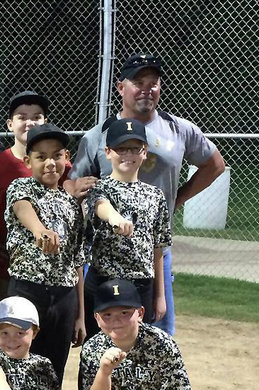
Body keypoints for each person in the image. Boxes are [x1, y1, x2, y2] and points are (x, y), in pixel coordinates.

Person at [70, 53, 225, 334]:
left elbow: (214, 165)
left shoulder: (179, 128)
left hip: (154, 251)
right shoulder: (97, 136)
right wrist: (76, 192)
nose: (147, 89)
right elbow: (72, 182)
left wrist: (177, 199)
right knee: (104, 332)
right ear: (121, 88)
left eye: (153, 83)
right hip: (105, 255)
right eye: (138, 82)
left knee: (155, 332)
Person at [0, 92, 88, 348]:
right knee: (4, 341)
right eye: (22, 117)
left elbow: (75, 243)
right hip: (8, 270)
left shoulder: (61, 170)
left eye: (37, 117)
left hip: (58, 281)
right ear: (10, 124)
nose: (29, 122)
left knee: (47, 344)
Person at [4, 123, 86, 383]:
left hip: (64, 296)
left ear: (66, 158)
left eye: (56, 155)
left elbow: (77, 262)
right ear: (28, 161)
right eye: (41, 157)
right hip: (28, 289)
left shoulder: (72, 204)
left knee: (54, 366)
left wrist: (80, 315)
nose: (50, 163)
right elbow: (23, 209)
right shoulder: (21, 187)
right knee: (19, 360)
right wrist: (41, 231)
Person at [83, 118, 171, 338]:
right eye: (121, 149)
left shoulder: (155, 195)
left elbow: (158, 248)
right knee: (98, 348)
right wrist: (115, 219)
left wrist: (160, 295)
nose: (128, 155)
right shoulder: (98, 187)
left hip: (141, 283)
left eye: (134, 149)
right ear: (108, 152)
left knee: (137, 349)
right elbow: (100, 205)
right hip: (104, 281)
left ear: (145, 152)